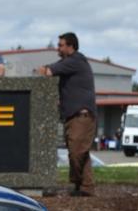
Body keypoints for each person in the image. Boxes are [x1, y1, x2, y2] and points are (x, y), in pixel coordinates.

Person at [37, 32, 96, 196]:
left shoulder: (75, 61)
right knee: (80, 151)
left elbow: (48, 71)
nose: (58, 48)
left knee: (77, 152)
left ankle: (80, 184)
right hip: (73, 116)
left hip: (81, 116)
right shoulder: (68, 62)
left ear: (70, 46)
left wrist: (40, 70)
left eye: (61, 45)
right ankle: (85, 187)